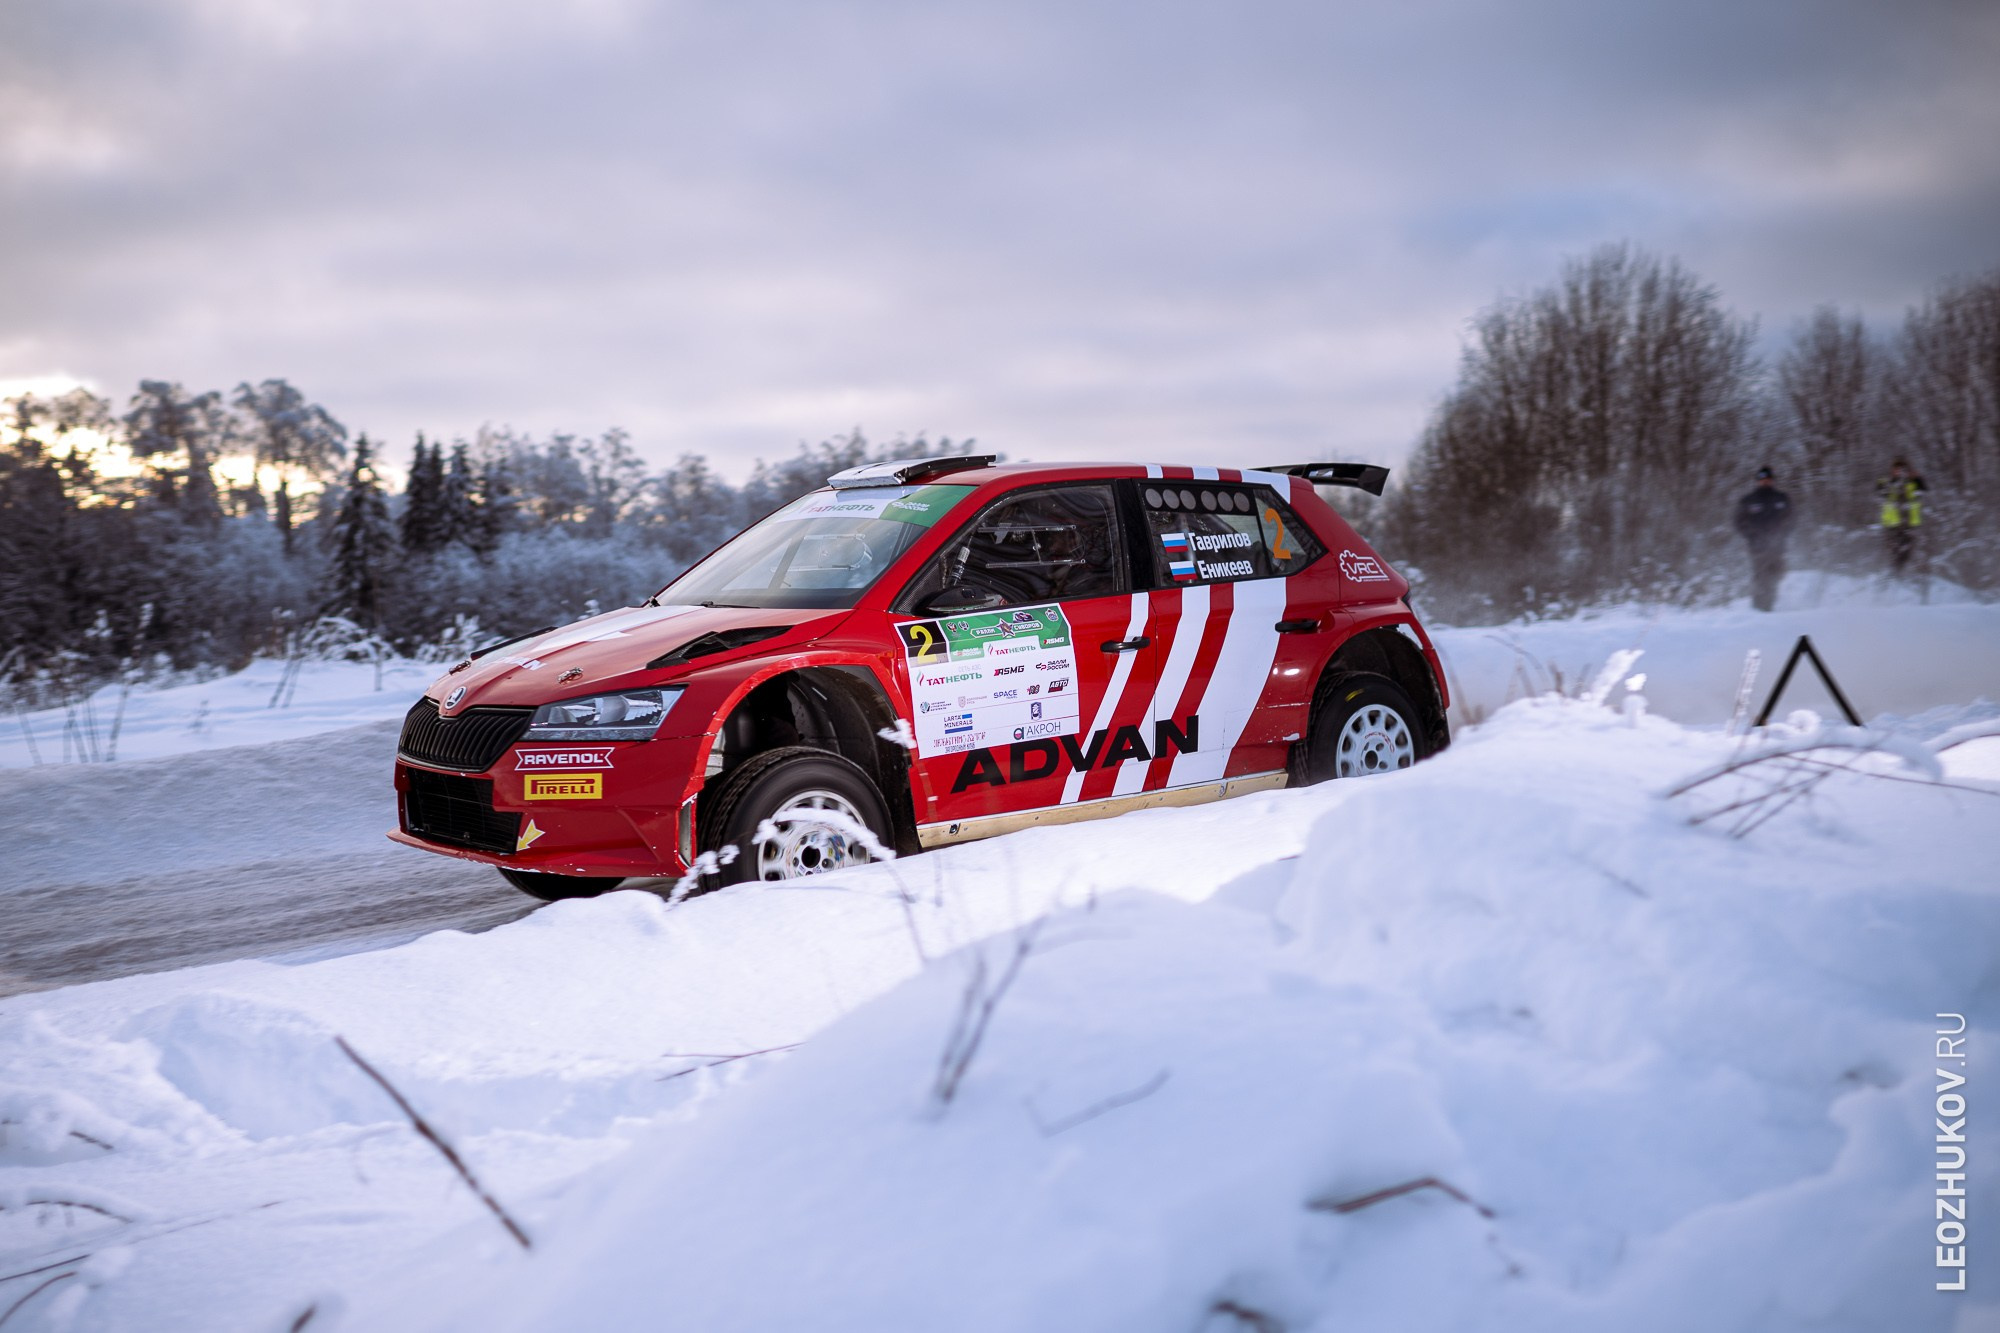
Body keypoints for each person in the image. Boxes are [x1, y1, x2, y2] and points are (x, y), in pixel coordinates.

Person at [1732, 466, 1794, 612]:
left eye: (1768, 479)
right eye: (1762, 480)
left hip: (1778, 546)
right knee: (1760, 576)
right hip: (1757, 546)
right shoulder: (1749, 500)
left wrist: (1782, 534)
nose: (1765, 482)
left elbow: (1792, 519)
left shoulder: (1782, 498)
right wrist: (1752, 536)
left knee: (1777, 574)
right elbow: (1738, 522)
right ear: (1758, 481)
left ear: (1772, 481)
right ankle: (1759, 608)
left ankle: (1773, 603)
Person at [1876, 457, 1927, 577]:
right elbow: (1880, 493)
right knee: (1894, 551)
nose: (1899, 472)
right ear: (1892, 470)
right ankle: (1891, 574)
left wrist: (1917, 478)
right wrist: (1893, 483)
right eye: (1897, 469)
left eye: (1902, 469)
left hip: (1909, 523)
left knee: (1906, 551)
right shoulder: (1886, 481)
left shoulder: (1912, 483)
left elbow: (1923, 491)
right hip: (1892, 524)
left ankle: (1898, 575)